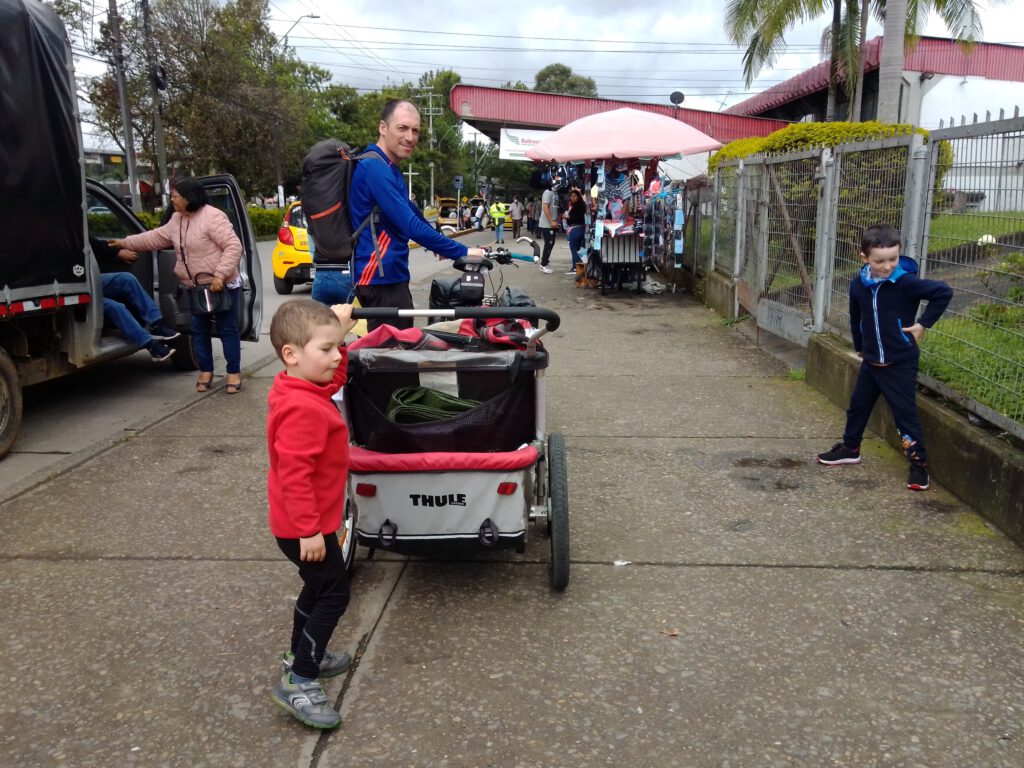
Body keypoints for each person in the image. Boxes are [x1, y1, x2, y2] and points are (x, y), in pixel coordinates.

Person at [266, 299, 357, 730]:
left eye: (338, 347)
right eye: (327, 349)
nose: (337, 356)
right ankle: (299, 677)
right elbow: (294, 474)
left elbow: (332, 378)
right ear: (292, 354)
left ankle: (302, 653)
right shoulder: (302, 408)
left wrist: (338, 331)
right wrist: (310, 532)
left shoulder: (296, 385)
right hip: (306, 527)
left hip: (304, 524)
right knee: (335, 594)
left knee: (317, 590)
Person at [816, 224, 953, 491]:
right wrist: (860, 345)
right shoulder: (859, 285)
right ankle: (850, 448)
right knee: (858, 407)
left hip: (899, 362)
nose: (888, 265)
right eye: (880, 261)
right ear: (864, 258)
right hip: (871, 361)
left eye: (893, 258)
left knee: (905, 416)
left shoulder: (906, 283)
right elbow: (857, 317)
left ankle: (919, 466)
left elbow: (943, 292)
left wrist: (923, 324)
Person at [349, 99, 486, 331]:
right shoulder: (375, 169)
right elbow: (410, 225)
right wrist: (462, 252)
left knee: (395, 353)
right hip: (379, 279)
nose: (410, 137)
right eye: (402, 128)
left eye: (415, 131)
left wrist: (438, 243)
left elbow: (414, 213)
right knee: (393, 359)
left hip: (390, 276)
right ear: (383, 128)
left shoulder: (388, 168)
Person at [110, 177, 244, 393]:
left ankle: (233, 373)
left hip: (220, 285)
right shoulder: (176, 220)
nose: (172, 199)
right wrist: (125, 242)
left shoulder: (213, 217)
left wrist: (220, 275)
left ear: (189, 197)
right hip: (194, 288)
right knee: (198, 331)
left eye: (175, 196)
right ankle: (206, 371)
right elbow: (155, 238)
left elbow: (233, 246)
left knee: (227, 329)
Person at [89, 237, 180, 361]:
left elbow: (90, 242)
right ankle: (152, 346)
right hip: (78, 285)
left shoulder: (74, 231)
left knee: (127, 279)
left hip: (88, 279)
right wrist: (117, 252)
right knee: (115, 307)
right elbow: (90, 242)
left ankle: (157, 324)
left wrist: (119, 247)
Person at [563, 189, 588, 281]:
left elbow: (573, 219)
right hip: (582, 229)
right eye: (571, 196)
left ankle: (575, 267)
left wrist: (567, 217)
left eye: (574, 196)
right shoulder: (582, 205)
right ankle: (580, 270)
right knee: (580, 251)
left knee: (574, 250)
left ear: (578, 197)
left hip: (575, 229)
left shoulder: (577, 207)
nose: (572, 198)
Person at [538, 182, 557, 274]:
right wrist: (551, 221)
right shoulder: (547, 192)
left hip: (551, 224)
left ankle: (545, 262)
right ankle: (543, 264)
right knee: (549, 243)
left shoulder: (555, 193)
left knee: (551, 243)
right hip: (547, 224)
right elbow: (545, 208)